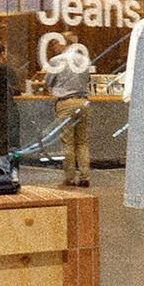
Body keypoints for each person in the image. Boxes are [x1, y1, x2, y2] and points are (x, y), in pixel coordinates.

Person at [45, 42, 97, 186]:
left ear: (63, 44)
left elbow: (48, 81)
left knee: (67, 142)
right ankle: (85, 176)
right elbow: (87, 80)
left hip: (65, 103)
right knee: (82, 141)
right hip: (82, 102)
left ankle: (70, 177)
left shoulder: (56, 61)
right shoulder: (84, 60)